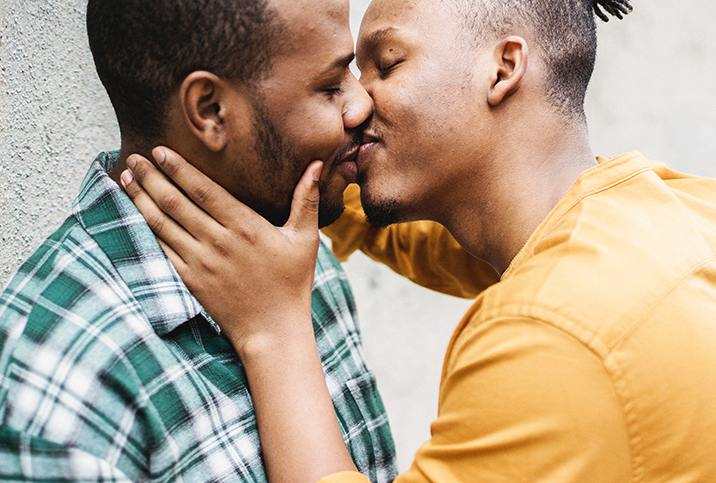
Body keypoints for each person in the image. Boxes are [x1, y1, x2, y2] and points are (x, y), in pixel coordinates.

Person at [122, 0, 716, 481]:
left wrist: (273, 328)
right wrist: (306, 169)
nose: (356, 103)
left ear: (503, 69)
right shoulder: (676, 211)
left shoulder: (556, 330)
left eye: (386, 63)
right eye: (344, 79)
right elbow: (428, 242)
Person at [0, 0, 401, 481]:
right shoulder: (61, 386)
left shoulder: (293, 248)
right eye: (331, 85)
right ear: (210, 110)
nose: (361, 104)